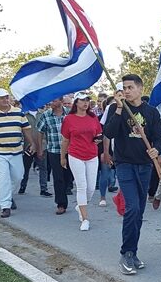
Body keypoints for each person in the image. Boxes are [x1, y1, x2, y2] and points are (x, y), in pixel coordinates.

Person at [104, 74, 161, 275]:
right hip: (125, 165)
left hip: (145, 166)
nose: (126, 91)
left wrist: (156, 149)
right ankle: (125, 253)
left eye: (130, 87)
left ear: (140, 88)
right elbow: (110, 132)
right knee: (132, 208)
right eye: (124, 87)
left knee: (139, 211)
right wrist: (119, 108)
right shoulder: (116, 109)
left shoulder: (151, 112)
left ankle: (133, 252)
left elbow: (159, 138)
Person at [0, 89, 35, 218]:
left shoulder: (18, 112)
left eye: (7, 97)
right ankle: (5, 206)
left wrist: (32, 143)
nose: (5, 100)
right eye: (2, 98)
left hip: (16, 150)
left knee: (18, 177)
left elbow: (26, 129)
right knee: (2, 179)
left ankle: (8, 195)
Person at [61, 92, 103, 230]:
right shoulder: (69, 119)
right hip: (75, 154)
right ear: (76, 103)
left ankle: (81, 205)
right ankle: (85, 219)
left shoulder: (93, 117)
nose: (85, 103)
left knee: (91, 187)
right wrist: (63, 156)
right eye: (82, 100)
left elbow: (99, 134)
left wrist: (99, 139)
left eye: (87, 100)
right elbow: (66, 139)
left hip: (92, 154)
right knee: (81, 186)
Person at [37, 96, 69, 215]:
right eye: (51, 100)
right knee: (58, 177)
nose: (51, 102)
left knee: (68, 177)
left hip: (70, 151)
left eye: (54, 100)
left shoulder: (69, 114)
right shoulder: (46, 115)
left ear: (61, 101)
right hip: (54, 151)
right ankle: (61, 203)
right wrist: (40, 149)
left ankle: (66, 191)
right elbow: (40, 132)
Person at [20, 108, 51, 197]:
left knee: (43, 168)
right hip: (27, 147)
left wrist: (46, 143)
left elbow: (47, 130)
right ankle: (22, 187)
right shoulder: (23, 115)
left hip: (42, 145)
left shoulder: (43, 114)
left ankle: (43, 189)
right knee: (25, 168)